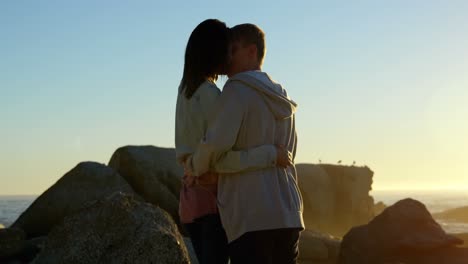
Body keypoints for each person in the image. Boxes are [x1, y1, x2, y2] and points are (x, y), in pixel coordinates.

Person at [185, 23, 305, 264]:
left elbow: (214, 145)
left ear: (252, 51)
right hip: (288, 213)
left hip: (251, 214)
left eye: (233, 50)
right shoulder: (283, 99)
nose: (226, 58)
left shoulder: (236, 91)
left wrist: (194, 168)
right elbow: (287, 155)